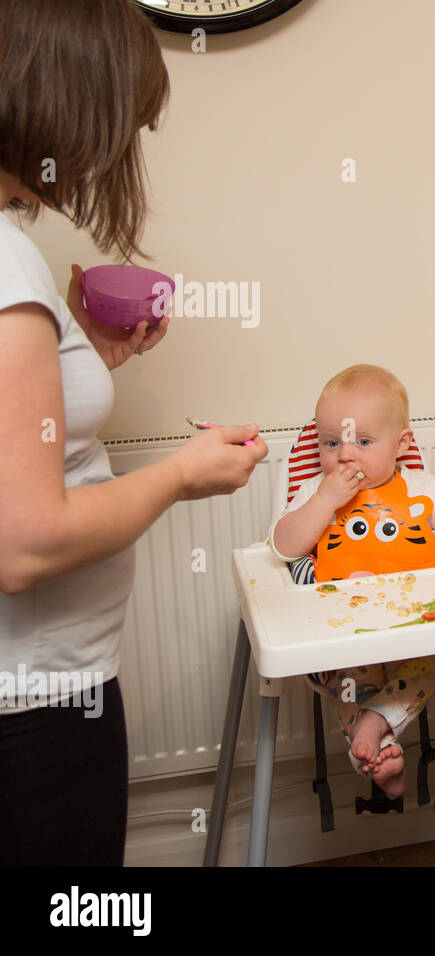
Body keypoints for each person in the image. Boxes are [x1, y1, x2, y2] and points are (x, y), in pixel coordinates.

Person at [0, 0, 265, 865]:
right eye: (127, 122)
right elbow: (26, 545)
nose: (124, 149)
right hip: (35, 706)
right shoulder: (7, 262)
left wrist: (79, 366)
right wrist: (180, 476)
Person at [269, 364, 435, 797]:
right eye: (332, 442)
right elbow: (282, 546)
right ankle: (377, 741)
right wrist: (324, 501)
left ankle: (372, 731)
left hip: (420, 629)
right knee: (349, 672)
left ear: (402, 445)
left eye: (363, 441)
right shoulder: (316, 491)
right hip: (345, 633)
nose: (345, 455)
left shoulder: (419, 487)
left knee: (434, 658)